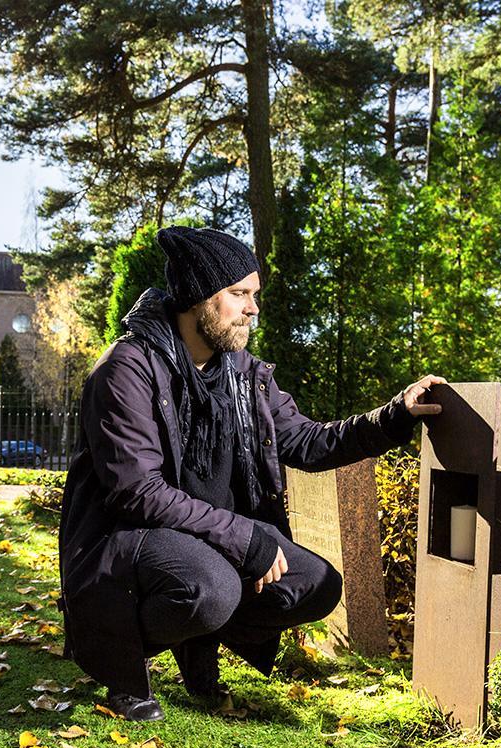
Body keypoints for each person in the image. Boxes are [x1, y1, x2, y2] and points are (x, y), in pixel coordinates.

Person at [57, 225, 446, 721]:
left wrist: (395, 415)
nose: (253, 308)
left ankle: (199, 644)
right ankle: (120, 664)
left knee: (316, 585)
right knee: (210, 589)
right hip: (127, 538)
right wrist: (243, 537)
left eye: (254, 295)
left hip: (207, 536)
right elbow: (137, 490)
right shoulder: (126, 369)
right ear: (197, 296)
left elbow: (308, 441)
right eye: (238, 294)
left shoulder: (243, 374)